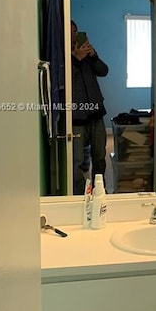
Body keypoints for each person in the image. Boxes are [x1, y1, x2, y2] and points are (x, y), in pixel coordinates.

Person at [70, 20, 109, 195]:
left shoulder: (87, 54)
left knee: (99, 156)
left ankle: (99, 191)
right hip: (76, 116)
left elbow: (104, 70)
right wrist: (76, 59)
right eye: (70, 32)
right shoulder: (62, 55)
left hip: (96, 113)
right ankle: (79, 195)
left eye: (75, 32)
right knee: (76, 159)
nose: (73, 35)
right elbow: (63, 81)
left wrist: (92, 56)